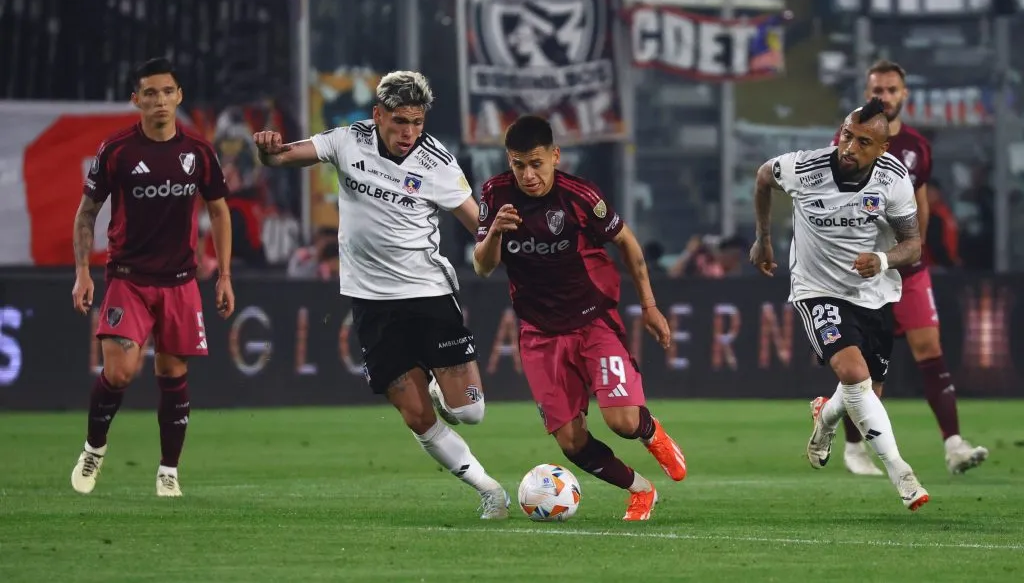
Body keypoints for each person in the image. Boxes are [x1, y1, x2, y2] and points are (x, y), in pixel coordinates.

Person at [252, 71, 510, 519]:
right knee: (414, 415)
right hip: (371, 302)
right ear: (377, 115)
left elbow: (479, 227)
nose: (408, 131)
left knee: (469, 413)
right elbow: (281, 159)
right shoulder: (346, 141)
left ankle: (439, 386)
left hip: (428, 294)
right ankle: (489, 490)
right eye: (399, 121)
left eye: (416, 121)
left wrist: (501, 241)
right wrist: (266, 149)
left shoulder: (438, 164)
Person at [472, 115, 686, 522]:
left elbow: (627, 243)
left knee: (622, 420)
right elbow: (483, 267)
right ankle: (641, 490)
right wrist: (494, 233)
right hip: (539, 333)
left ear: (555, 156)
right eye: (518, 165)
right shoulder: (495, 194)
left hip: (593, 322)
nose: (528, 175)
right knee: (571, 442)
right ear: (508, 161)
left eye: (536, 163)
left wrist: (650, 306)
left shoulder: (580, 196)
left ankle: (649, 431)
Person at [751, 98, 929, 511]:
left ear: (881, 148)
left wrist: (882, 260)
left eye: (863, 141)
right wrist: (763, 238)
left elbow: (913, 245)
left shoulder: (893, 179)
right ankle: (901, 471)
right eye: (847, 135)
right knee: (853, 374)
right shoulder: (804, 167)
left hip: (873, 293)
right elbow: (762, 178)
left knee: (865, 393)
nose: (849, 147)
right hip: (817, 289)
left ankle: (825, 416)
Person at [70, 57, 236, 497]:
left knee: (172, 371)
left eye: (167, 92)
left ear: (179, 96)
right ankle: (94, 447)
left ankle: (168, 472)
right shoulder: (118, 150)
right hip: (128, 277)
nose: (160, 101)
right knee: (120, 372)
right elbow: (86, 213)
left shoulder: (198, 152)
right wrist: (82, 272)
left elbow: (219, 210)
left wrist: (224, 275)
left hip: (180, 280)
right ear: (136, 100)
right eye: (150, 93)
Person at [831, 60, 987, 476]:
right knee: (859, 364)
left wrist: (913, 250)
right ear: (867, 93)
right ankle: (854, 449)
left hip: (907, 267)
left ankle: (954, 444)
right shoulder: (851, 138)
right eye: (876, 90)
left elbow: (920, 204)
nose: (883, 97)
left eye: (891, 90)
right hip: (863, 270)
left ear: (904, 95)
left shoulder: (917, 146)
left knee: (929, 349)